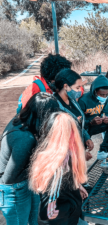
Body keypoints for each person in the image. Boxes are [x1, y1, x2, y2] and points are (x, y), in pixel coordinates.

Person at [0, 93, 60, 225]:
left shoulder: (23, 120)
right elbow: (9, 178)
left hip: (25, 182)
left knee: (33, 219)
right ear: (44, 116)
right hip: (14, 189)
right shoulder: (25, 139)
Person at [29, 112, 88, 225]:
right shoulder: (57, 168)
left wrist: (77, 186)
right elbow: (48, 213)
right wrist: (72, 206)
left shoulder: (59, 154)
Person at [54, 69, 94, 161]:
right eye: (77, 87)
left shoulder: (72, 101)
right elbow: (60, 141)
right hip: (67, 159)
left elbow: (79, 123)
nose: (80, 91)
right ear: (66, 86)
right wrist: (79, 154)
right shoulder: (55, 106)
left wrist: (87, 137)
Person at [78, 75, 108, 159]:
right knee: (83, 150)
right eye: (102, 94)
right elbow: (78, 121)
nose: (104, 97)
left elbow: (105, 112)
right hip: (85, 128)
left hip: (97, 124)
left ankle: (103, 150)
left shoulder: (104, 100)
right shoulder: (83, 100)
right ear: (94, 91)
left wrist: (106, 117)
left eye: (106, 95)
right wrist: (90, 121)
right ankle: (81, 157)